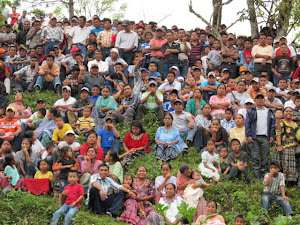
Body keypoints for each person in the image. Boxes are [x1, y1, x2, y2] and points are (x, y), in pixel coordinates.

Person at [245, 93, 275, 180]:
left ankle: (264, 177)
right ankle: (256, 178)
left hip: (265, 137)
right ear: (255, 100)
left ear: (264, 100)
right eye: (258, 98)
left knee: (265, 158)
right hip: (254, 137)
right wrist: (249, 135)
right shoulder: (251, 111)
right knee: (255, 158)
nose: (260, 100)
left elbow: (272, 125)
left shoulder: (269, 111)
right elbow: (247, 124)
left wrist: (272, 135)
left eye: (262, 98)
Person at [273, 107, 298, 183]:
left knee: (291, 166)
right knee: (281, 165)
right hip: (282, 146)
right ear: (283, 113)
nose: (288, 113)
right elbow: (278, 134)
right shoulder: (281, 122)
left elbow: (298, 136)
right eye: (286, 111)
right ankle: (279, 183)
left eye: (290, 111)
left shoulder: (295, 124)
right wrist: (279, 145)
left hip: (292, 148)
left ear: (293, 113)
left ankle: (289, 184)